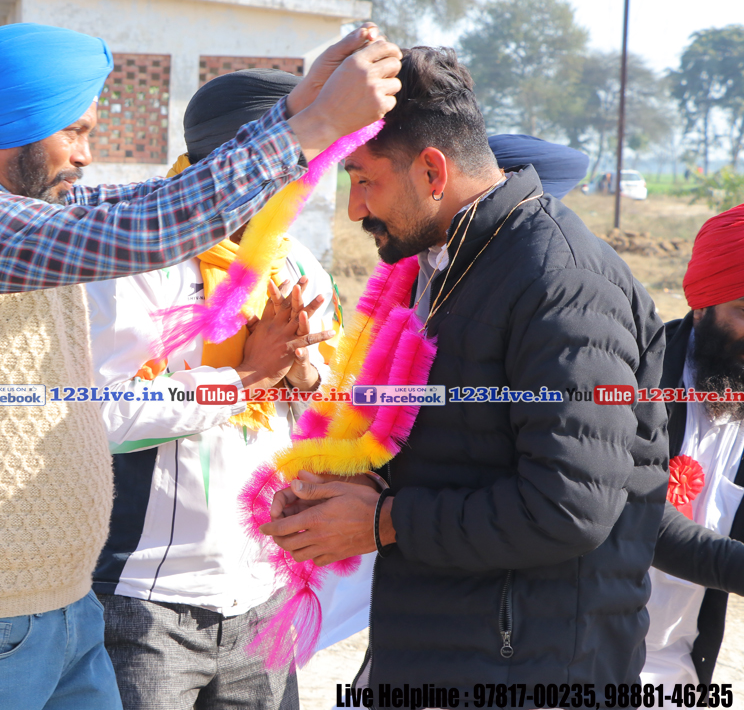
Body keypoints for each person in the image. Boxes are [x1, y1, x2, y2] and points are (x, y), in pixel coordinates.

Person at [0, 22, 402, 710]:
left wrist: (299, 108)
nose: (86, 156)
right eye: (75, 132)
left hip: (62, 605)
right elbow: (143, 232)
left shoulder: (29, 207)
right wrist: (315, 125)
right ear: (18, 123)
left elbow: (148, 202)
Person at [259, 46, 667, 691]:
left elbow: (570, 505)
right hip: (445, 640)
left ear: (432, 170)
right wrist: (345, 490)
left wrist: (382, 521)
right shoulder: (445, 264)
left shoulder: (560, 281)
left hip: (531, 665)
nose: (355, 209)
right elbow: (465, 449)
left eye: (364, 180)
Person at [86, 68, 338, 710]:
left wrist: (302, 375)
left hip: (264, 595)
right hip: (145, 602)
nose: (304, 181)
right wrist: (244, 378)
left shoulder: (296, 263)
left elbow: (334, 404)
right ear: (237, 162)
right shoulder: (136, 260)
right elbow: (100, 416)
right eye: (296, 160)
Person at [647, 203, 744, 687]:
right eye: (743, 311)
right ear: (702, 304)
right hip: (584, 649)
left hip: (681, 664)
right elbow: (636, 514)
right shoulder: (637, 375)